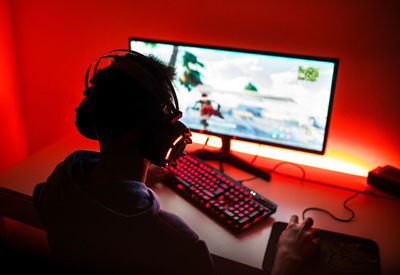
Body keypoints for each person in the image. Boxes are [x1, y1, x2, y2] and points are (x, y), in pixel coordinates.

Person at [33, 50, 319, 274]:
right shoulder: (177, 243)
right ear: (161, 134)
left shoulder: (59, 186)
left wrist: (142, 173)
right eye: (171, 117)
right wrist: (285, 260)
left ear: (90, 119)